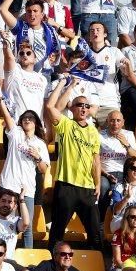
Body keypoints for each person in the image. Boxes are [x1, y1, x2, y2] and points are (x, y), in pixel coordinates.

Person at [44, 76, 102, 250]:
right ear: (73, 108)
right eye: (79, 105)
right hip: (67, 186)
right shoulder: (66, 124)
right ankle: (51, 270)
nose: (83, 108)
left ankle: (99, 270)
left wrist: (98, 184)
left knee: (95, 233)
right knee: (57, 231)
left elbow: (96, 160)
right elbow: (50, 107)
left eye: (86, 105)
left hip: (87, 187)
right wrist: (67, 84)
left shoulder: (93, 131)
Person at [0, 87, 49, 248]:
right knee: (3, 223)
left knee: (27, 226)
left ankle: (27, 260)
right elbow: (6, 114)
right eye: (25, 117)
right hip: (8, 185)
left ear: (36, 123)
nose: (27, 119)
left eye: (31, 118)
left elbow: (44, 169)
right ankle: (1, 253)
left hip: (27, 189)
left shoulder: (40, 144)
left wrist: (37, 157)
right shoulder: (15, 133)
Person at [97, 111, 136, 218]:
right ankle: (102, 219)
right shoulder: (99, 136)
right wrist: (106, 174)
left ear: (123, 122)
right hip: (105, 172)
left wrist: (127, 145)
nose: (115, 124)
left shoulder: (128, 135)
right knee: (103, 186)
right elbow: (94, 161)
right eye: (112, 120)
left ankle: (122, 218)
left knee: (126, 189)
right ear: (107, 122)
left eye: (118, 120)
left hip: (125, 172)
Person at [86, 21, 127, 125]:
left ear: (105, 34)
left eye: (98, 30)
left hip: (109, 102)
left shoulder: (114, 51)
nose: (95, 32)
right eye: (92, 31)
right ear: (89, 36)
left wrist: (128, 66)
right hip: (89, 103)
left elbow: (126, 71)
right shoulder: (84, 54)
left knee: (113, 137)